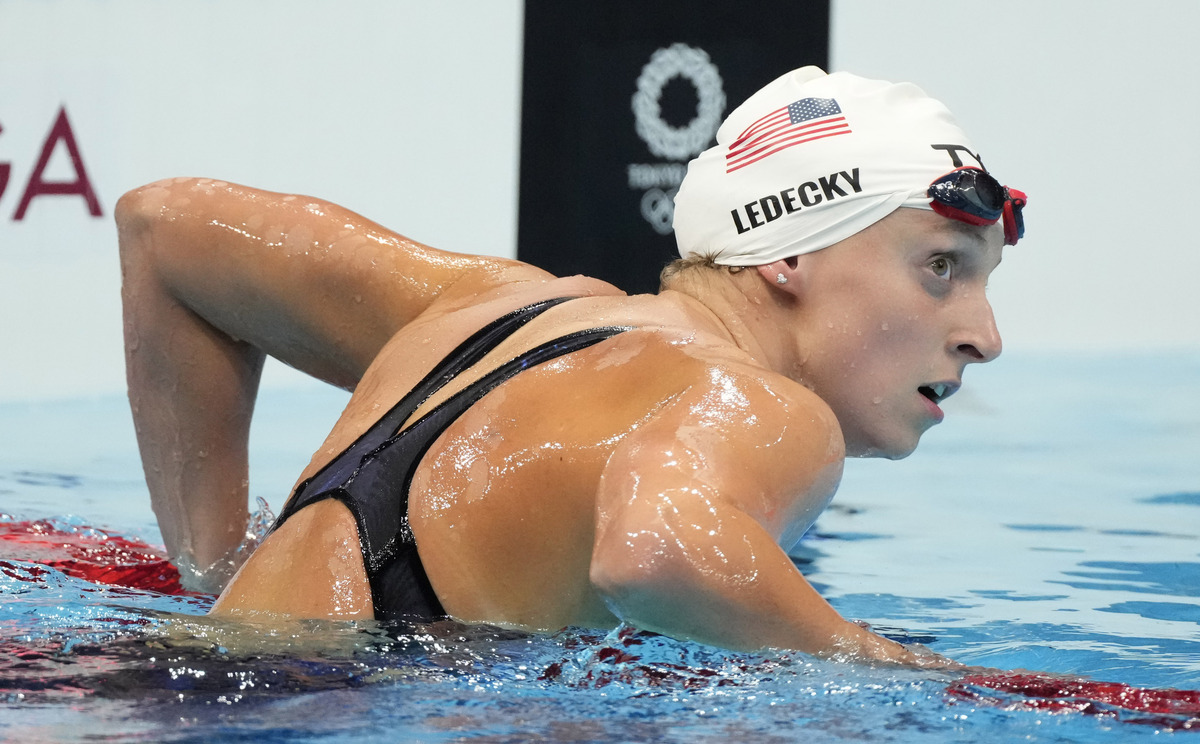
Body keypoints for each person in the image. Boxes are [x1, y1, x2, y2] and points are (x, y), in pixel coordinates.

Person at [116, 67, 1025, 666]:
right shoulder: (765, 407)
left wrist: (216, 570)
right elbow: (655, 550)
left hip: (174, 677)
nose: (985, 336)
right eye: (940, 267)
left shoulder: (492, 304)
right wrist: (893, 666)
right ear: (789, 254)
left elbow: (166, 231)